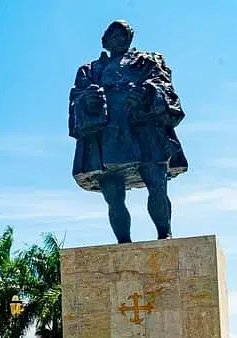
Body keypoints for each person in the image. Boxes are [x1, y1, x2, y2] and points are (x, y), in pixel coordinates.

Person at [69, 20, 188, 244]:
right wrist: (89, 101)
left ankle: (165, 235)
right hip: (108, 139)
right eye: (114, 35)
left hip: (145, 134)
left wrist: (148, 94)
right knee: (113, 195)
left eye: (124, 35)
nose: (119, 39)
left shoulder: (148, 62)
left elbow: (166, 88)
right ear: (105, 41)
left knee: (157, 185)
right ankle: (123, 243)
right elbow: (77, 98)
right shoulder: (90, 70)